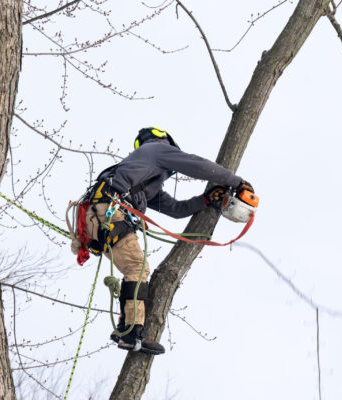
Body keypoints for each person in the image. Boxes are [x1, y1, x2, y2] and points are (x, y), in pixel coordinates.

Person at [80, 127, 254, 355]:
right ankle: (130, 332)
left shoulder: (144, 182)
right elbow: (198, 165)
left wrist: (205, 200)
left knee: (136, 269)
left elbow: (175, 209)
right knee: (137, 267)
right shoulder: (156, 149)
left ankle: (128, 329)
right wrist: (237, 181)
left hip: (99, 215)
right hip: (108, 212)